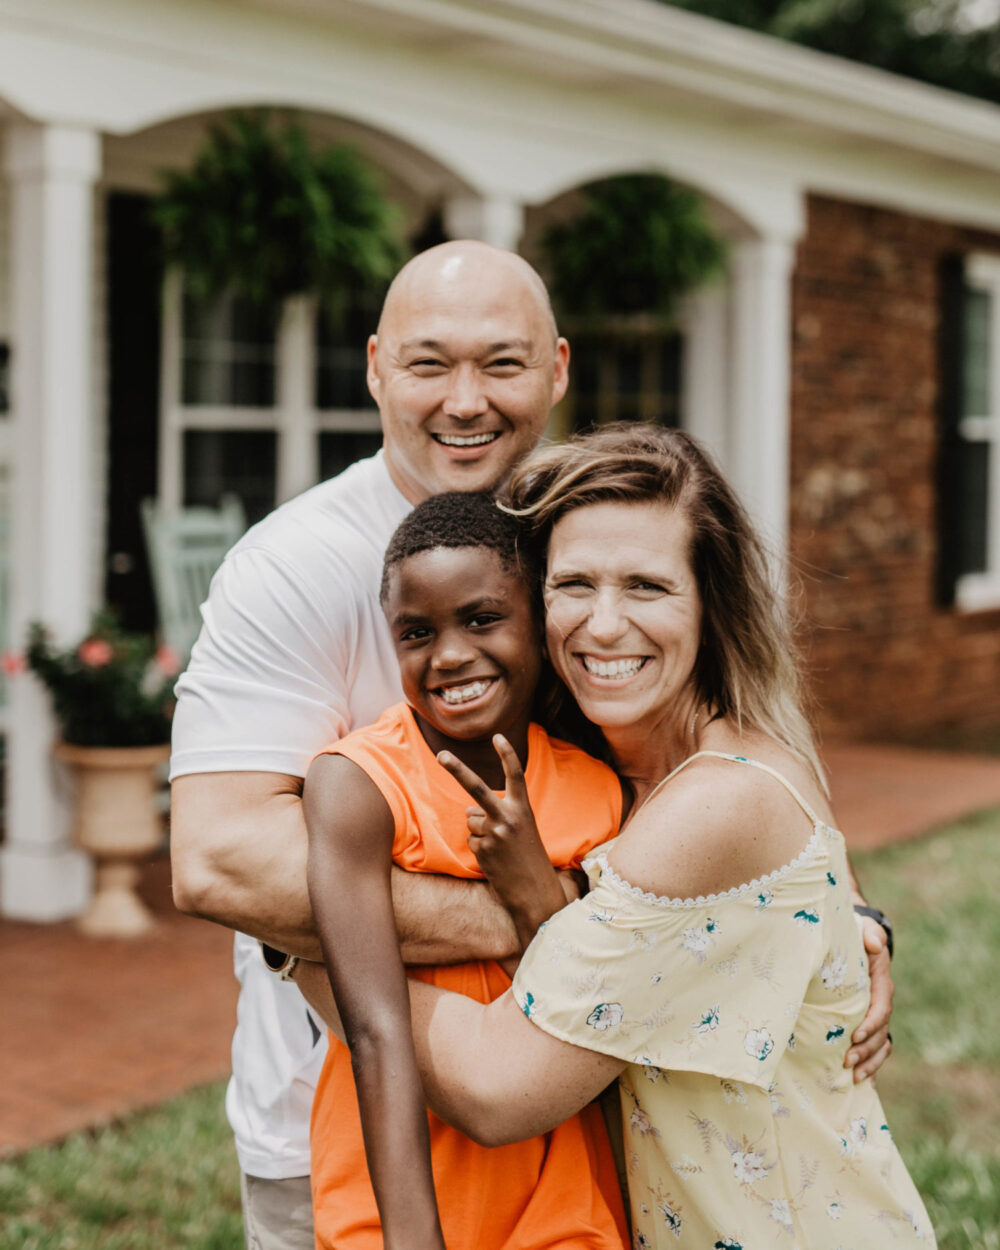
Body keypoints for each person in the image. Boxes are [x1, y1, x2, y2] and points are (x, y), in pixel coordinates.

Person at [169, 241, 893, 1247]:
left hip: (583, 1139)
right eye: (429, 362)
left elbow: (734, 723)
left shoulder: (576, 531)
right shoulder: (295, 567)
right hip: (341, 1130)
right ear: (375, 366)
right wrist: (552, 918)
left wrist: (842, 907)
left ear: (556, 369)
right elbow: (218, 859)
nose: (465, 400)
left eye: (501, 363)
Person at [296, 424, 932, 1248]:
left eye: (646, 587)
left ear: (711, 601)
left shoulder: (716, 803)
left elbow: (497, 1086)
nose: (602, 626)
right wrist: (862, 918)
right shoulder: (602, 771)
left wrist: (316, 949)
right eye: (574, 585)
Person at [304, 491, 627, 1249]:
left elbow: (594, 1001)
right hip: (396, 1197)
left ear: (539, 626)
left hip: (562, 1197)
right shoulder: (359, 786)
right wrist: (413, 1239)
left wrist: (535, 890)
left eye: (482, 619)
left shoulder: (597, 789)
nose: (448, 655)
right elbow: (377, 1027)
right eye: (417, 633)